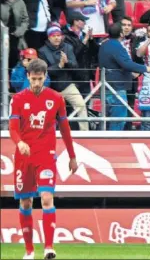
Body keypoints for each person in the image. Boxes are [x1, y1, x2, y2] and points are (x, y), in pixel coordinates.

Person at [9, 59, 78, 260]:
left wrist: (72, 156)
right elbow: (13, 128)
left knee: (47, 198)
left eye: (40, 79)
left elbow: (65, 129)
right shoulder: (19, 99)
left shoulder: (56, 99)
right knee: (26, 203)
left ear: (45, 76)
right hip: (24, 157)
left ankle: (49, 247)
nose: (37, 83)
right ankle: (29, 251)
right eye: (33, 79)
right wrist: (19, 142)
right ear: (28, 77)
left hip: (46, 156)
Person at [98, 22, 150, 131]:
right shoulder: (117, 46)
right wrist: (145, 68)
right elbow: (126, 63)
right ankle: (113, 141)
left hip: (106, 85)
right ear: (122, 34)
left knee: (108, 116)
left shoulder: (104, 45)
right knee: (119, 118)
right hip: (117, 87)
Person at [0, 0, 29, 69]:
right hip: (3, 37)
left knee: (17, 60)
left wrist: (19, 31)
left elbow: (25, 20)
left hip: (17, 37)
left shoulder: (20, 2)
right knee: (4, 61)